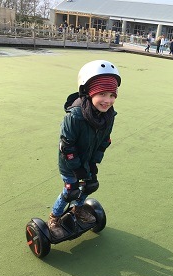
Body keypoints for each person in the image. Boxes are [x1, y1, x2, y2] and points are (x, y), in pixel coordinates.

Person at [47, 60, 121, 238]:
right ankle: (54, 217)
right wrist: (78, 168)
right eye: (102, 94)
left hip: (87, 160)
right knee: (71, 189)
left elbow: (104, 141)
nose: (108, 100)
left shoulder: (108, 116)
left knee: (89, 185)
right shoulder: (75, 116)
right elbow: (67, 147)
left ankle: (78, 209)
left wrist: (94, 163)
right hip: (70, 162)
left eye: (112, 95)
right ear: (88, 92)